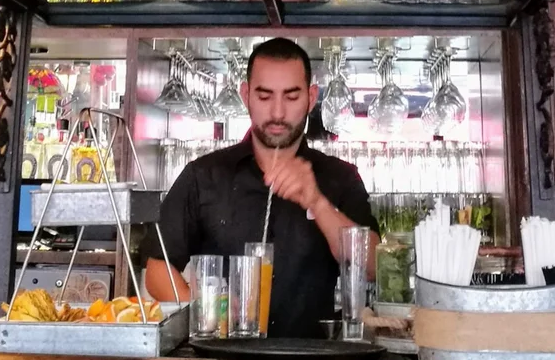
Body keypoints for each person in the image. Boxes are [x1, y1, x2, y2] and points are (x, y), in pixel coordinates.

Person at [145, 38, 379, 339]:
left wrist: (318, 203)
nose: (278, 112)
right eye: (265, 97)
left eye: (291, 97)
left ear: (310, 97)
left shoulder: (340, 178)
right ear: (246, 95)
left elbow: (373, 267)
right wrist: (205, 316)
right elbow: (157, 267)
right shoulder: (204, 176)